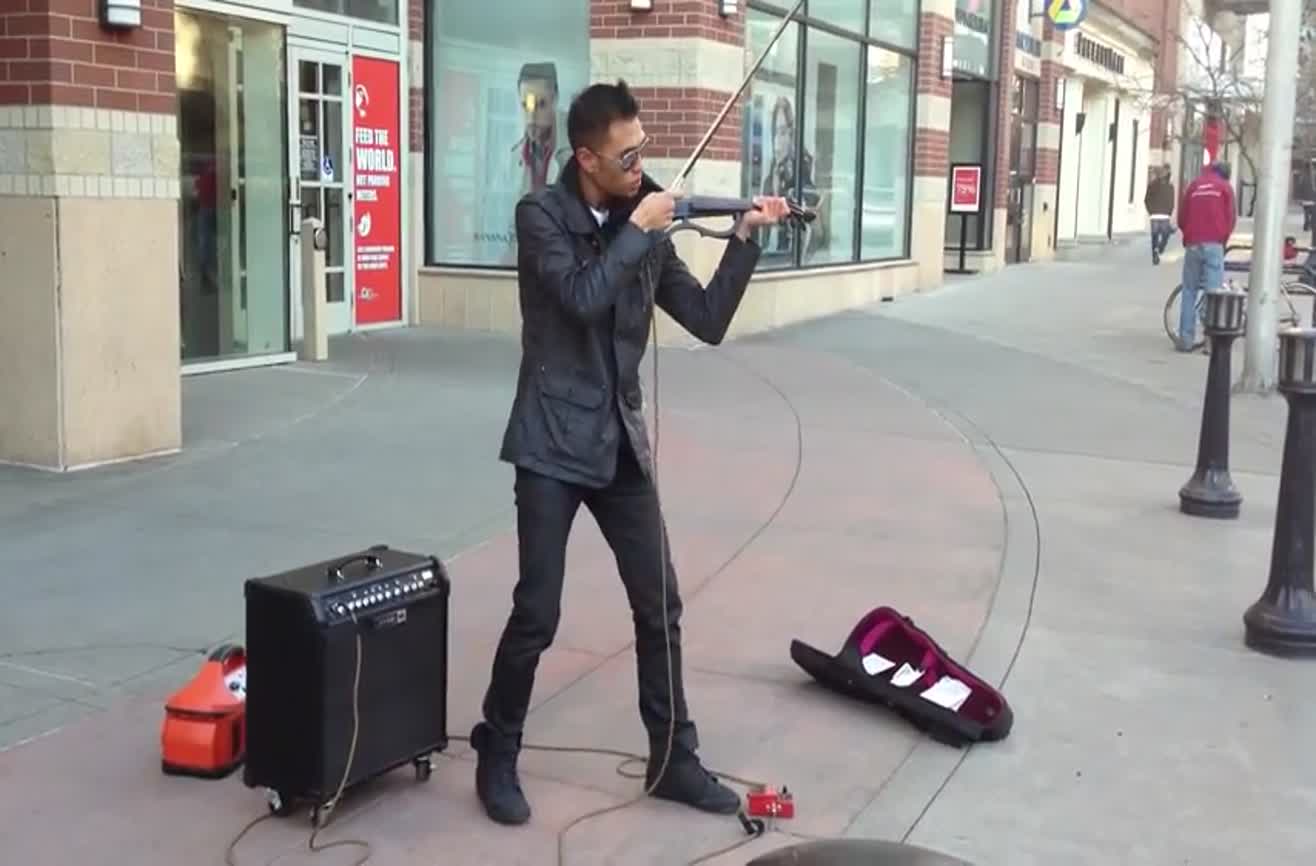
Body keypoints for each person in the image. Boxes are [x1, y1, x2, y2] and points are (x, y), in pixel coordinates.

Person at [469, 79, 792, 826]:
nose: (642, 168)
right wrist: (640, 231)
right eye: (627, 156)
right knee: (537, 611)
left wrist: (742, 239)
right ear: (586, 158)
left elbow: (707, 319)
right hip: (551, 441)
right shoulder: (540, 216)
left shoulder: (640, 220)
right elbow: (580, 299)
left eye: (644, 150)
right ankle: (498, 746)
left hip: (619, 442)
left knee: (661, 605)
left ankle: (673, 757)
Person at [1175, 161, 1236, 352]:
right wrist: (1223, 239)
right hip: (1214, 244)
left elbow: (1182, 217)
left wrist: (1189, 235)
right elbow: (1231, 218)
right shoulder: (1225, 188)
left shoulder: (1194, 185)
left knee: (1189, 290)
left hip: (1193, 244)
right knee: (1213, 294)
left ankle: (1185, 338)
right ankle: (1209, 343)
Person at [1144, 165, 1175, 265]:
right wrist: (1169, 212)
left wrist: (1151, 211)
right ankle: (1160, 248)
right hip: (1164, 214)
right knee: (1165, 234)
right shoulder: (1169, 186)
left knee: (1155, 235)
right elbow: (1171, 201)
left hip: (1156, 214)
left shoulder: (1152, 185)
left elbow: (1146, 200)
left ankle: (1155, 252)